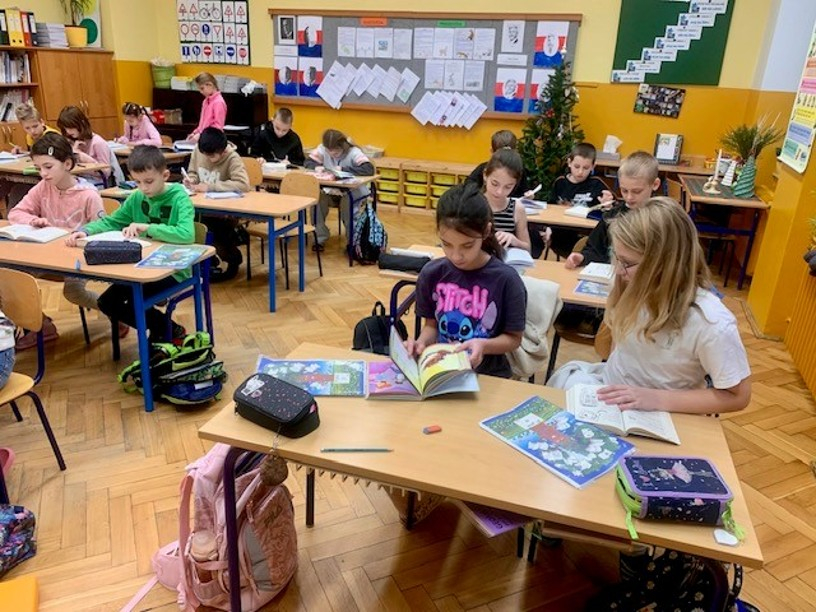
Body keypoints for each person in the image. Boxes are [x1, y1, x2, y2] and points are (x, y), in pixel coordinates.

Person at [550, 197, 751, 415]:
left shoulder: (711, 322)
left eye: (627, 263)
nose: (619, 271)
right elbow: (621, 348)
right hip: (613, 395)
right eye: (617, 259)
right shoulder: (630, 285)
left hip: (665, 414)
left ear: (665, 264)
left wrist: (654, 398)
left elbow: (738, 396)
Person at [65, 145, 194, 341]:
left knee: (134, 303)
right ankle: (168, 329)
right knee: (107, 302)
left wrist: (148, 228)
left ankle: (164, 332)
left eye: (149, 181)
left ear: (165, 175)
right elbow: (111, 221)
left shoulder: (179, 197)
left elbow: (187, 235)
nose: (143, 188)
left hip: (174, 269)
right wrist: (85, 231)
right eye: (137, 182)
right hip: (141, 266)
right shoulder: (137, 197)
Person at [8, 132, 119, 349]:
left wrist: (82, 237)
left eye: (48, 167)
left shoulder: (88, 195)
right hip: (46, 256)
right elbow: (16, 213)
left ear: (67, 164)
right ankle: (41, 326)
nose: (43, 173)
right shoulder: (44, 187)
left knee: (73, 292)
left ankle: (115, 313)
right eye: (38, 168)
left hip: (76, 260)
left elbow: (103, 232)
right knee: (9, 277)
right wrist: (33, 220)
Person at [409, 182, 527, 379]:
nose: (456, 256)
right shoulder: (432, 273)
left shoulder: (506, 280)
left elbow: (514, 339)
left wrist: (483, 345)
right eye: (446, 244)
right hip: (443, 371)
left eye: (467, 245)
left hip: (488, 375)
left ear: (486, 232)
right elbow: (431, 326)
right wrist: (420, 344)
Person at [565, 150, 661, 269]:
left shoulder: (662, 219)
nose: (629, 197)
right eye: (624, 190)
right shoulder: (611, 216)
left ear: (655, 184)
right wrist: (583, 258)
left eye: (637, 191)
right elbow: (595, 250)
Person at [184, 127, 250, 281]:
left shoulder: (232, 158)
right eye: (205, 155)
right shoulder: (199, 151)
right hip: (202, 205)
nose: (208, 158)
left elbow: (243, 184)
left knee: (210, 227)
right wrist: (191, 180)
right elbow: (193, 172)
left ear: (223, 151)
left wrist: (210, 187)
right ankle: (208, 260)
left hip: (225, 211)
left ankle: (230, 257)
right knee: (189, 222)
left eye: (212, 155)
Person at [304, 129, 374, 251]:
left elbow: (368, 169)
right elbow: (307, 162)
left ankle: (352, 241)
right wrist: (316, 167)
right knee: (317, 201)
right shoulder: (322, 149)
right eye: (329, 151)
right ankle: (319, 237)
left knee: (348, 205)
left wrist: (344, 169)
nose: (332, 154)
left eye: (336, 151)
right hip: (330, 191)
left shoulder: (354, 152)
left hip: (351, 192)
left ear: (343, 146)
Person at [547, 142, 615, 258]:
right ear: (569, 163)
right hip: (561, 234)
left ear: (593, 166)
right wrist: (548, 228)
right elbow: (550, 208)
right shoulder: (560, 183)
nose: (580, 172)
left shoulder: (597, 184)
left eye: (586, 168)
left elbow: (613, 209)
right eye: (577, 167)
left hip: (587, 236)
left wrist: (607, 204)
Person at [482, 148, 531, 252]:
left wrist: (514, 240)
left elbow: (528, 249)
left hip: (507, 260)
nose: (499, 192)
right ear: (485, 175)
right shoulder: (472, 203)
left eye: (508, 187)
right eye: (495, 184)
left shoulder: (517, 208)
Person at [57, 105, 112, 182]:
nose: (68, 132)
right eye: (65, 128)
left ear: (81, 124)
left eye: (70, 127)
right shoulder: (72, 141)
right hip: (78, 179)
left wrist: (84, 158)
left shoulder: (98, 143)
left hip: (96, 182)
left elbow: (106, 172)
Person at [188, 72, 227, 142]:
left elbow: (218, 126)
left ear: (210, 85)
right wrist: (195, 133)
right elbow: (202, 123)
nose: (200, 92)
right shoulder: (205, 101)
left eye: (202, 88)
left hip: (213, 139)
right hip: (204, 137)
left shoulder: (219, 102)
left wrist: (201, 135)